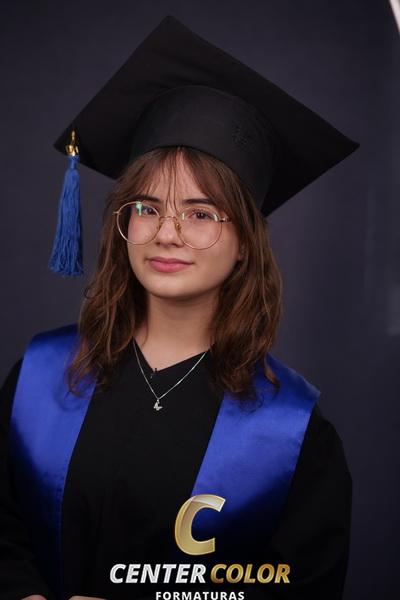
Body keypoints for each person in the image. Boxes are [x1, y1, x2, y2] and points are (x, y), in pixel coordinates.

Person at [0, 15, 358, 600]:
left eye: (200, 213)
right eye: (146, 207)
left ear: (245, 244)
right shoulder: (39, 377)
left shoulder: (293, 433)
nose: (167, 233)